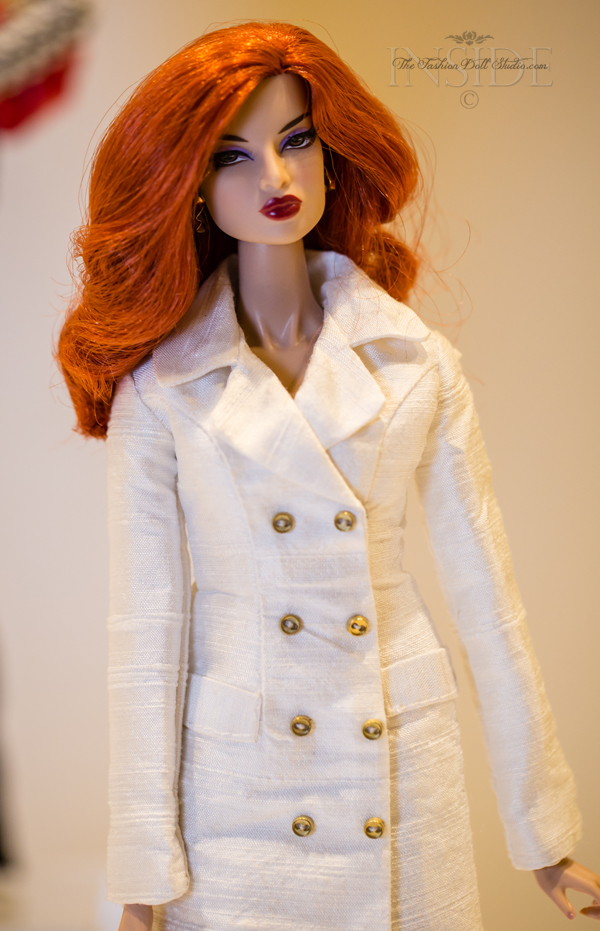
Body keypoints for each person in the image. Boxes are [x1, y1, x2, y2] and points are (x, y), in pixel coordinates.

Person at [57, 21, 600, 931]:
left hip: (398, 765)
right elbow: (147, 636)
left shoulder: (416, 363)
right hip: (240, 789)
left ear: (332, 152)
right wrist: (142, 880)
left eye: (296, 139)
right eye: (232, 156)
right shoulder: (164, 390)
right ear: (192, 187)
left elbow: (488, 606)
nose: (275, 176)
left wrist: (543, 833)